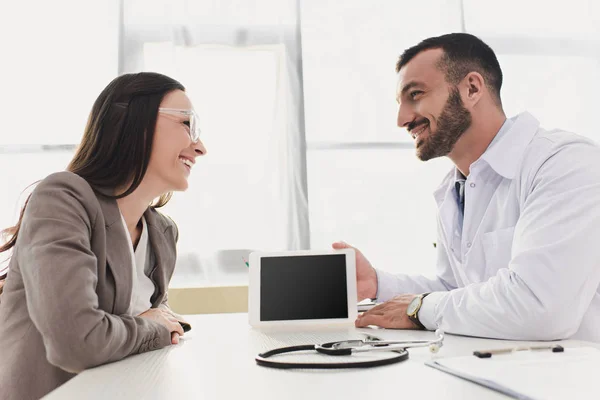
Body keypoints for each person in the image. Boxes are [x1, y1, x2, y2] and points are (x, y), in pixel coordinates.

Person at [333, 33, 600, 342]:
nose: (401, 118)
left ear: (472, 88)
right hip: (499, 377)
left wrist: (419, 308)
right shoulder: (454, 188)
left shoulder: (564, 163)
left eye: (415, 95)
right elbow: (458, 294)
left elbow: (541, 308)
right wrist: (377, 284)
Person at [0, 72, 207, 399]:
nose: (200, 147)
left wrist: (154, 328)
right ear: (136, 125)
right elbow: (77, 343)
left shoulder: (163, 232)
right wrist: (152, 328)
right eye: (187, 124)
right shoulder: (62, 199)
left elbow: (160, 331)